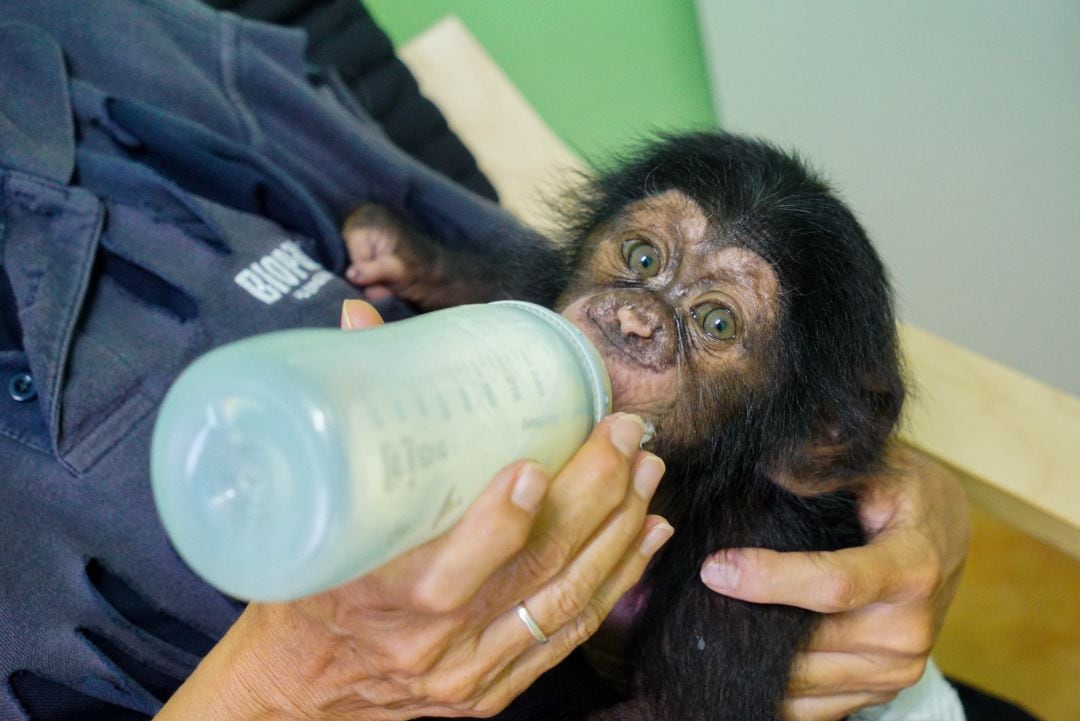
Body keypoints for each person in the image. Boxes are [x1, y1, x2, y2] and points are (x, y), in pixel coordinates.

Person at [0, 1, 969, 719]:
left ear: (811, 442)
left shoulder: (746, 580)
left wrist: (909, 502)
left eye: (714, 320)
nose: (637, 314)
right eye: (640, 257)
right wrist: (278, 686)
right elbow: (530, 281)